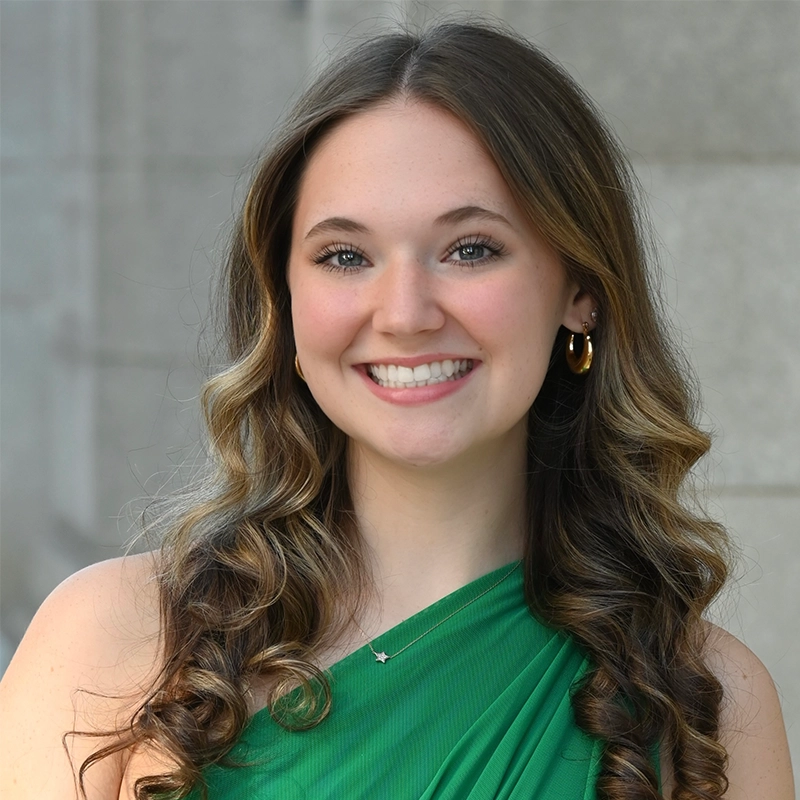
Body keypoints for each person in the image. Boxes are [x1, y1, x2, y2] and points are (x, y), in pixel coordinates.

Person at [0, 20, 793, 800]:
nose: (405, 313)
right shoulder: (111, 645)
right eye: (346, 256)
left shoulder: (703, 705)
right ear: (287, 301)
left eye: (471, 248)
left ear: (580, 289)